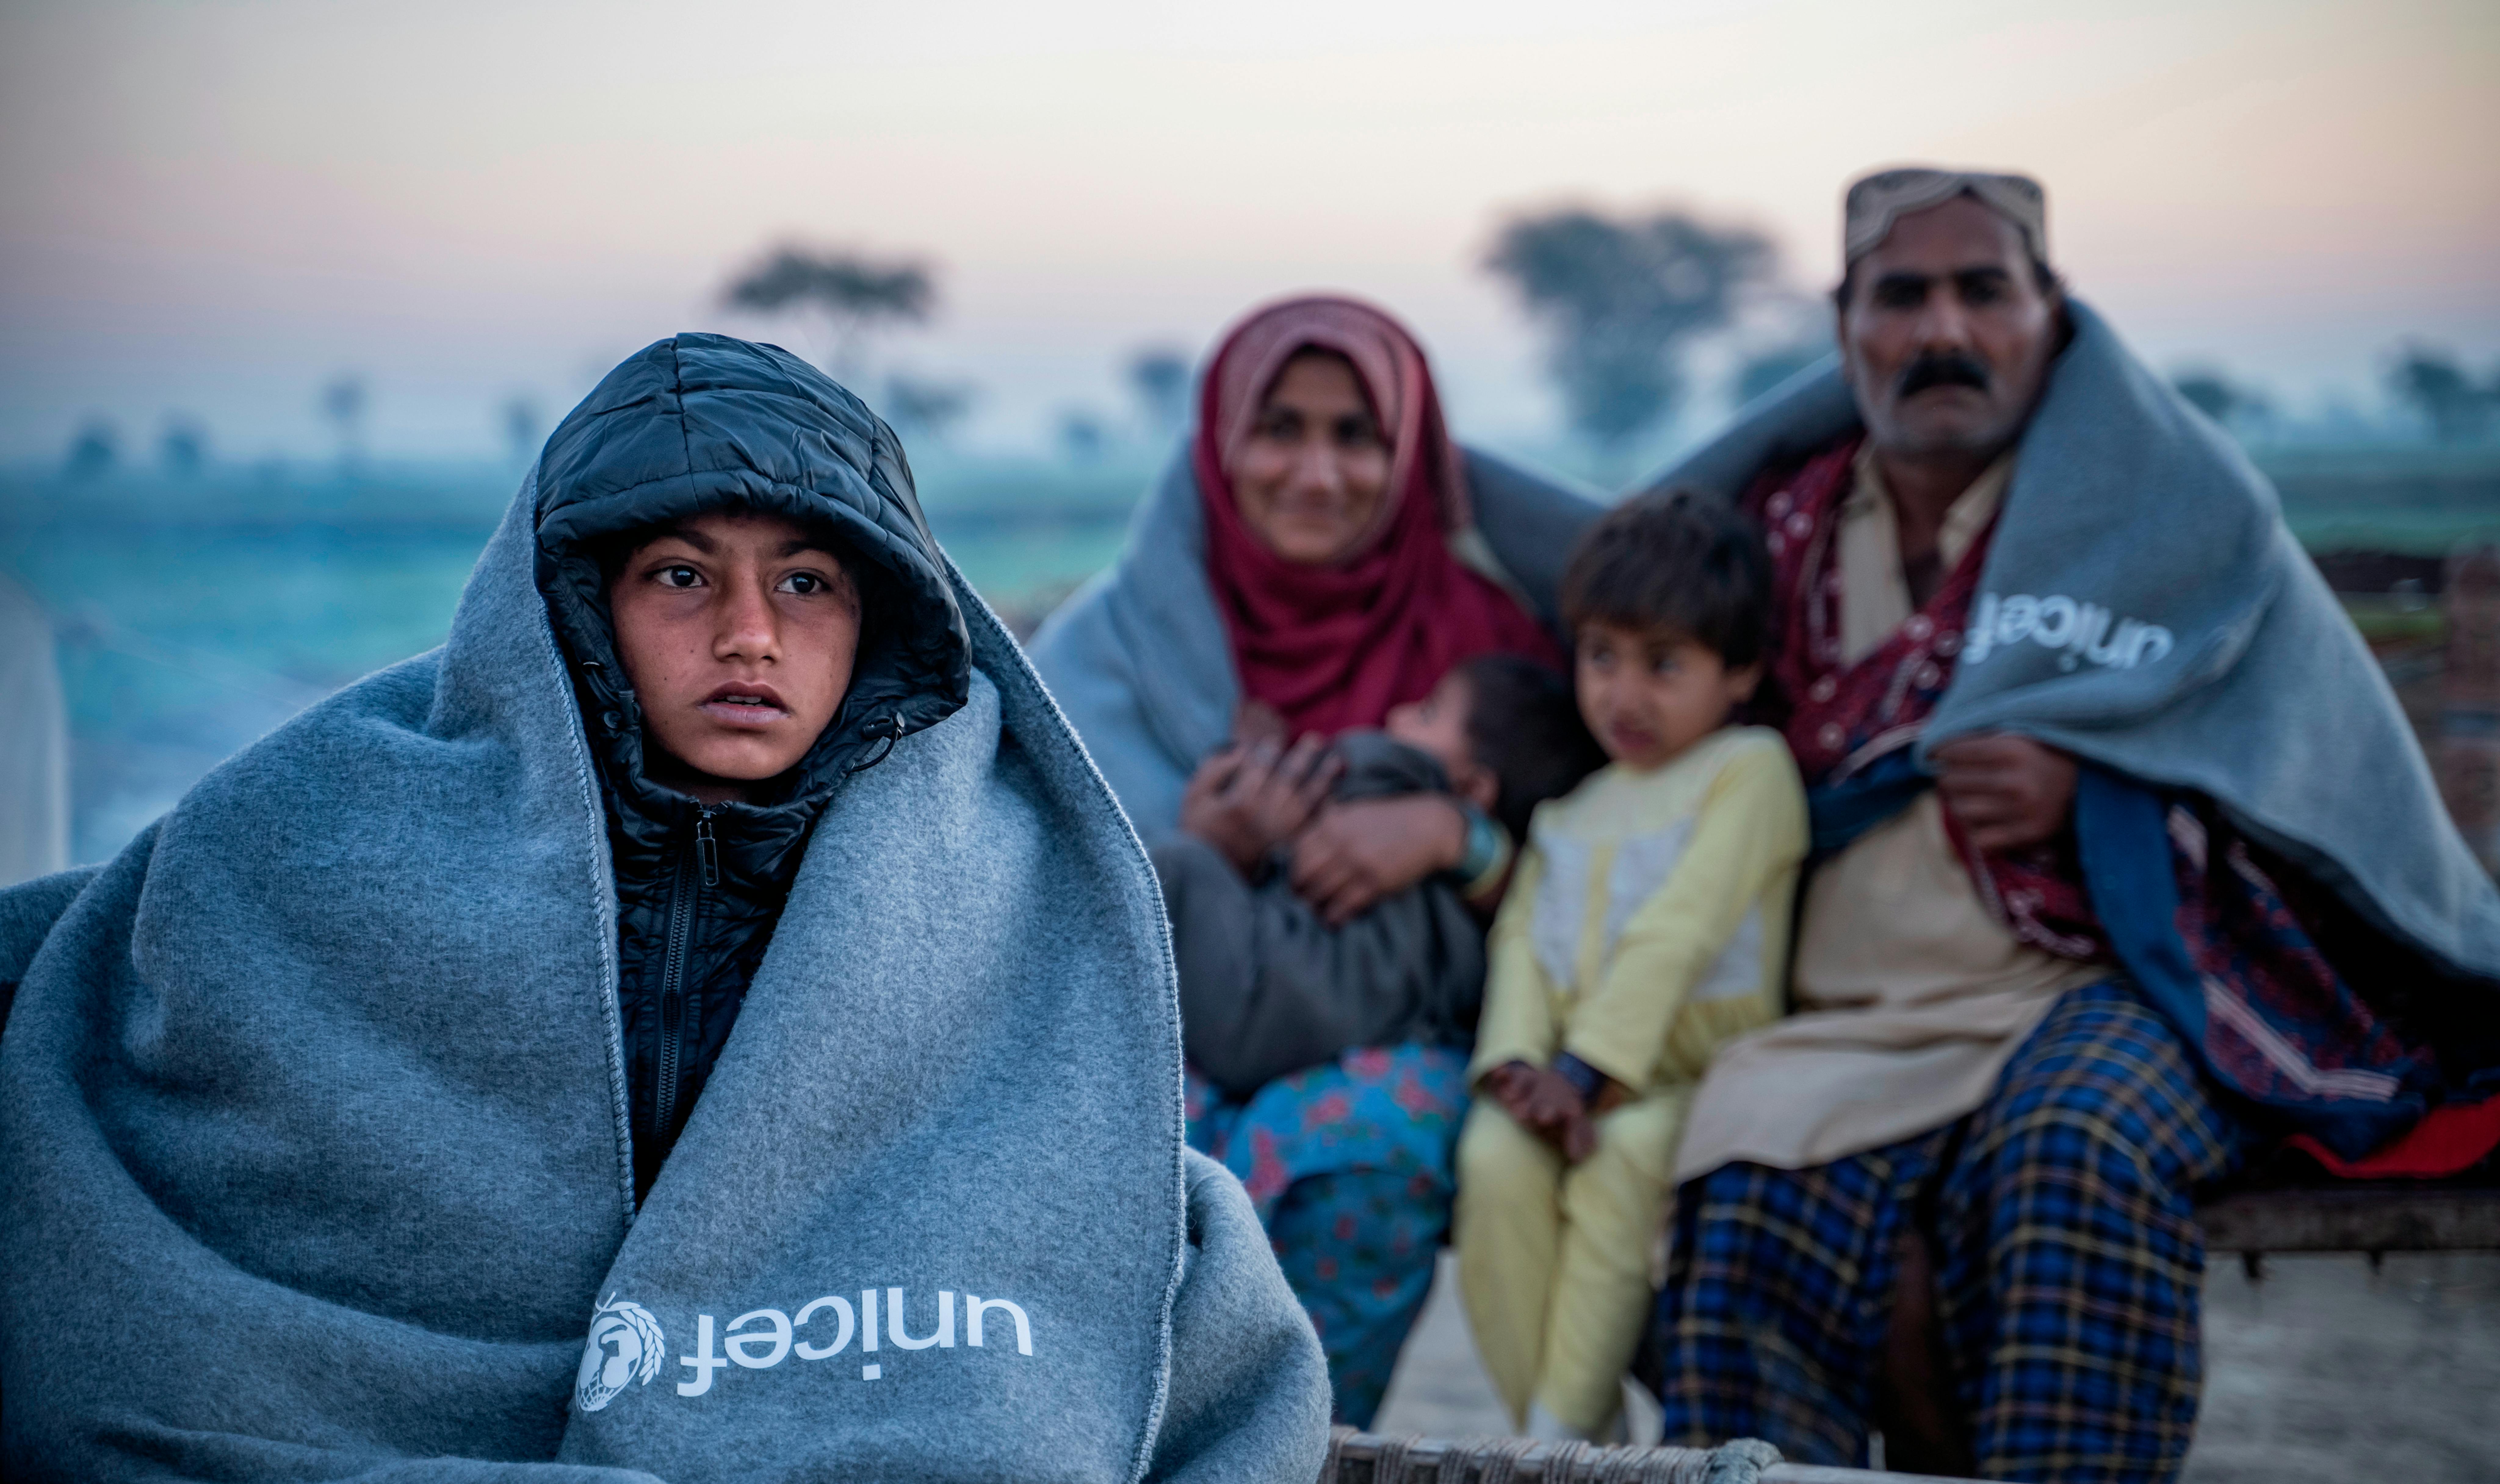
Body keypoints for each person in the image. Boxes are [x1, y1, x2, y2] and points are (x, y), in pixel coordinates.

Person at [0, 334, 1329, 1482]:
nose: (749, 633)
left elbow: (1044, 1167)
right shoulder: (331, 808)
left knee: (1204, 1252)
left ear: (879, 616)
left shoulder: (984, 871)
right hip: (382, 1416)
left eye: (806, 581)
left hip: (839, 1379)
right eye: (682, 576)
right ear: (582, 609)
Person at [1636, 168, 2500, 1482]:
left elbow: (2300, 767)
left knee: (2073, 1149)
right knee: (1746, 1194)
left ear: (2052, 312)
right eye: (1902, 295)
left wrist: (2097, 788)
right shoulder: (1771, 532)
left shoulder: (2174, 517)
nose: (1944, 330)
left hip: (2102, 991)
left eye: (1984, 289)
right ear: (1842, 323)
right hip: (1840, 1013)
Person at [1030, 295, 1602, 1424]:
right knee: (1123, 1148)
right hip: (1163, 1032)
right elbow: (1036, 884)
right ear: (1218, 442)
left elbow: (1592, 891)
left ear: (1413, 457)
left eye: (1358, 436)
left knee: (1364, 1142)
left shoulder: (1492, 654)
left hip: (1405, 1037)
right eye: (1279, 427)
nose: (1317, 471)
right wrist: (1205, 854)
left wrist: (1458, 837)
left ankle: (1304, 1445)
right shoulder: (1110, 647)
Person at [1454, 492, 1805, 1443]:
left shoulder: (1750, 771)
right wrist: (1518, 1067)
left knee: (1622, 1162)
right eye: (1602, 657)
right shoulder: (1570, 811)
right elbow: (1522, 942)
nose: (1623, 696)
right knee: (1491, 1160)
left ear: (1739, 674)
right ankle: (1577, 1437)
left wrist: (1590, 1074)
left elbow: (1682, 931)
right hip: (1566, 1082)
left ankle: (1553, 1445)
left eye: (1664, 664)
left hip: (1704, 1080)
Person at [1155, 652, 1605, 1102]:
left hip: (1262, 989)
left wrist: (1255, 757)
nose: (1398, 716)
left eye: (1427, 714)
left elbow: (1303, 794)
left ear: (1474, 790)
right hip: (1317, 1042)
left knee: (1176, 864)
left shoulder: (1397, 772)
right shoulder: (1493, 924)